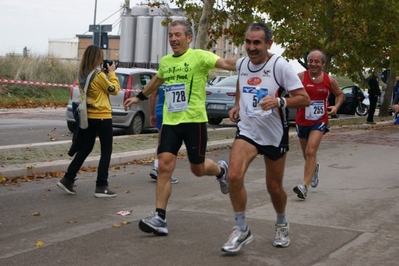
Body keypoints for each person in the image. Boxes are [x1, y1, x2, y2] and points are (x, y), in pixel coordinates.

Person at [123, 19, 237, 236]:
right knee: (164, 166)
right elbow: (157, 80)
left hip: (194, 121)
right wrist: (139, 96)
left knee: (198, 168)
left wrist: (253, 61)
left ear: (189, 37)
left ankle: (221, 170)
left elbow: (225, 63)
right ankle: (159, 218)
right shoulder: (166, 61)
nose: (173, 39)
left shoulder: (200, 57)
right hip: (171, 122)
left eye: (178, 35)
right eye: (170, 36)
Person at [221, 22, 310, 253]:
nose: (251, 47)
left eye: (257, 42)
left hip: (273, 134)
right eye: (248, 42)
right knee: (233, 175)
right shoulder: (242, 63)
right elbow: (243, 80)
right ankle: (241, 229)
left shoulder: (280, 66)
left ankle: (281, 222)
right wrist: (237, 104)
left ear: (268, 43)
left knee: (273, 187)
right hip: (248, 130)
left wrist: (280, 101)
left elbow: (304, 98)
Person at [57, 45, 120, 198]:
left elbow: (94, 90)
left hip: (88, 116)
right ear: (97, 58)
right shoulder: (98, 75)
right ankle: (101, 185)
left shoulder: (82, 74)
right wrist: (112, 73)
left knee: (86, 148)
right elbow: (114, 90)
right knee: (106, 151)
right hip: (102, 116)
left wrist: (105, 74)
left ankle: (68, 178)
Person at [293, 50, 345, 200]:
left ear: (323, 63)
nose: (313, 64)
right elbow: (290, 93)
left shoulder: (329, 80)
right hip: (302, 120)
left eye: (317, 61)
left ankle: (304, 186)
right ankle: (314, 168)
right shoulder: (300, 77)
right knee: (307, 155)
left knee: (310, 151)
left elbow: (340, 95)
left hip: (320, 120)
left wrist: (335, 107)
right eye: (311, 61)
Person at [149, 86, 178, 184]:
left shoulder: (160, 78)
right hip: (171, 112)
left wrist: (151, 114)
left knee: (161, 142)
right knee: (171, 144)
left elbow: (152, 96)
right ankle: (163, 170)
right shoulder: (177, 77)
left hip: (160, 111)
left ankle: (156, 167)